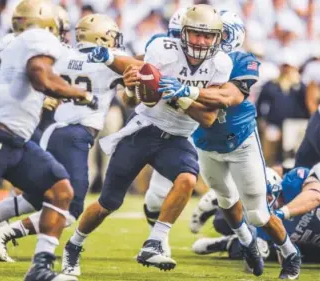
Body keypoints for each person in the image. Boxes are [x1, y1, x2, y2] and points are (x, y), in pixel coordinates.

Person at [61, 4, 232, 276]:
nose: (201, 41)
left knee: (187, 178)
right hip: (144, 129)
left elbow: (208, 119)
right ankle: (73, 245)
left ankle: (155, 240)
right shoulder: (163, 49)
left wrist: (182, 94)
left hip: (177, 136)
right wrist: (133, 82)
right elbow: (145, 96)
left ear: (218, 38)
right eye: (195, 34)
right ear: (182, 33)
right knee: (109, 203)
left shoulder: (221, 63)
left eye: (207, 35)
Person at [138, 9, 302, 279]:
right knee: (226, 199)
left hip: (240, 141)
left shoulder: (239, 60)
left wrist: (186, 90)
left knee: (259, 214)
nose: (204, 40)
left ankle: (290, 253)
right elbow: (145, 65)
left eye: (214, 34)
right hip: (204, 141)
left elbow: (229, 96)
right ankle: (247, 241)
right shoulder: (183, 57)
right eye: (200, 33)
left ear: (230, 36)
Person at [0, 13, 125, 264]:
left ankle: (18, 249)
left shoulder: (53, 53)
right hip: (69, 134)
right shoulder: (103, 61)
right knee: (71, 205)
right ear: (101, 38)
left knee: (44, 193)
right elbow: (139, 67)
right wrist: (79, 93)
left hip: (47, 130)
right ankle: (5, 233)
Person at [192, 165, 320, 264]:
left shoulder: (296, 181)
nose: (265, 201)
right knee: (255, 245)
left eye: (265, 197)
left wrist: (280, 214)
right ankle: (220, 200)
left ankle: (227, 243)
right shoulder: (260, 218)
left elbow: (314, 196)